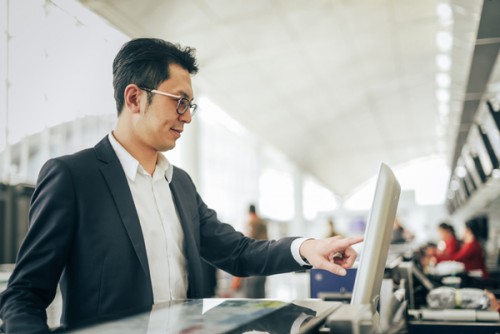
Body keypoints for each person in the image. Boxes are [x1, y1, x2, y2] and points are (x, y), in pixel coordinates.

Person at [0, 38, 363, 333]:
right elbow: (24, 295)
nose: (187, 116)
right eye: (179, 102)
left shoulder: (181, 184)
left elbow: (237, 252)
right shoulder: (73, 177)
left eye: (191, 105)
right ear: (134, 98)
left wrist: (307, 248)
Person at [241, 204, 268, 298]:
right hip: (264, 259)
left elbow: (249, 240)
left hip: (256, 259)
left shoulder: (253, 222)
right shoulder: (262, 222)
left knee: (252, 291)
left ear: (250, 213)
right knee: (260, 290)